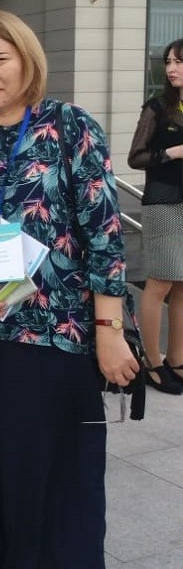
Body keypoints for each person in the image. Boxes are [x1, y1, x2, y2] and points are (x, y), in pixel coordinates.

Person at [0, 10, 138, 569]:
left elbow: (105, 236)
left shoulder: (69, 126)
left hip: (54, 336)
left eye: (0, 59)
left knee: (53, 475)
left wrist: (110, 330)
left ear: (26, 61)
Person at [127, 38, 183, 395]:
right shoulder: (158, 108)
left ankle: (176, 360)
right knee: (160, 281)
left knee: (182, 284)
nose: (171, 68)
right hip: (163, 203)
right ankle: (152, 362)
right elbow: (136, 157)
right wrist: (172, 152)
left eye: (179, 62)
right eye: (168, 62)